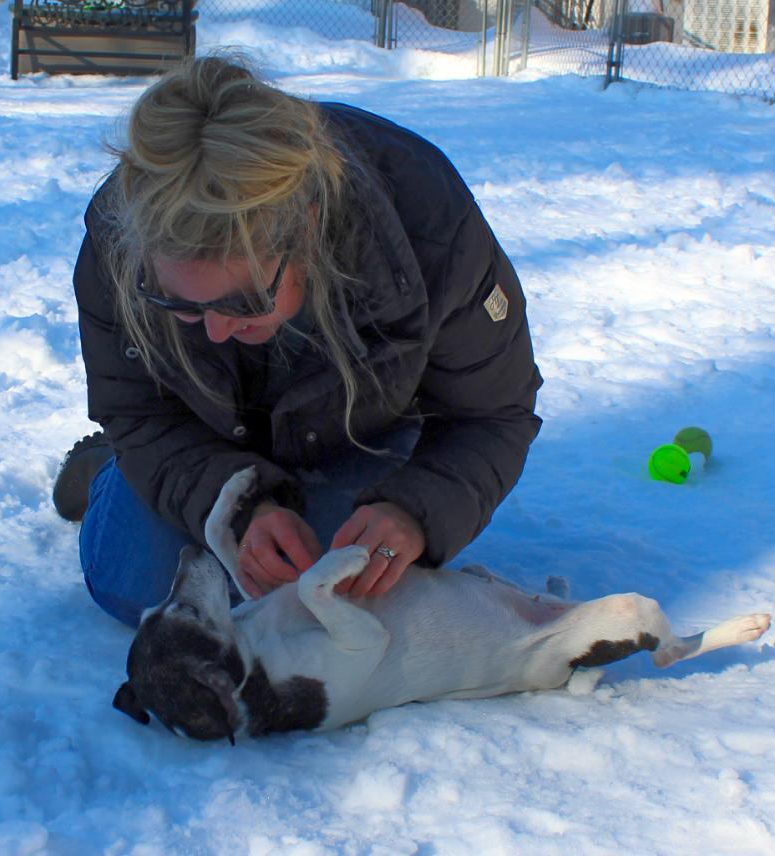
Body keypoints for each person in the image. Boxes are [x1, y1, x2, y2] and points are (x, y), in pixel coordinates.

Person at [55, 56, 542, 628]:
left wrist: (412, 511)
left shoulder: (426, 222)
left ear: (307, 226)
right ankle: (107, 475)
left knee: (333, 597)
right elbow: (137, 409)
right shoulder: (120, 235)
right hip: (201, 437)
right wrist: (235, 505)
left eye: (242, 302)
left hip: (360, 436)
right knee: (139, 586)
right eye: (181, 305)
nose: (214, 330)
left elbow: (494, 412)